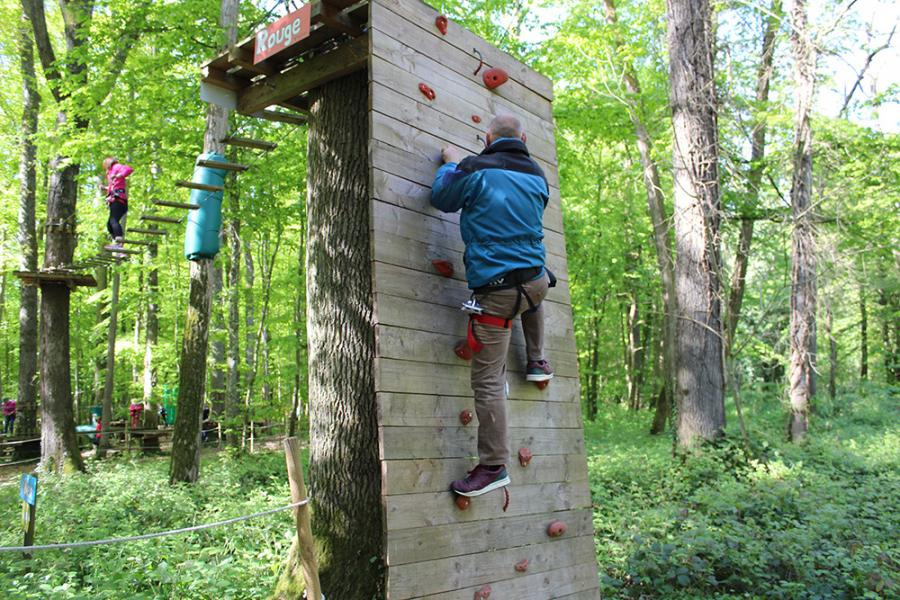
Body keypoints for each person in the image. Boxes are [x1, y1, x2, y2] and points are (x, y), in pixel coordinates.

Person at [431, 114, 555, 497]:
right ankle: (536, 360)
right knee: (532, 286)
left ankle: (493, 465)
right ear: (524, 137)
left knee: (487, 383)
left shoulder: (475, 167)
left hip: (497, 296)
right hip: (535, 285)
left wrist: (450, 163)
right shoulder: (538, 175)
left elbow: (442, 198)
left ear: (487, 138)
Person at [101, 157, 134, 253]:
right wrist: (106, 188)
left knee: (113, 220)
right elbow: (115, 186)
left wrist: (119, 175)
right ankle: (117, 244)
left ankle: (119, 243)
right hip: (115, 200)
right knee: (109, 225)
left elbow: (129, 169)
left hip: (119, 200)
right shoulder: (111, 172)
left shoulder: (116, 166)